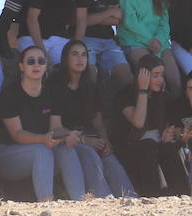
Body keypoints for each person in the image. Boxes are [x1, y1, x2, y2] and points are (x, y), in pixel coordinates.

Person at [0, 44, 84, 201]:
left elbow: (55, 128)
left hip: (40, 151)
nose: (36, 65)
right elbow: (17, 134)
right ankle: (46, 205)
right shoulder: (10, 94)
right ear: (21, 67)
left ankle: (81, 202)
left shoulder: (52, 92)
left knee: (66, 149)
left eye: (41, 61)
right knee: (42, 151)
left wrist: (67, 135)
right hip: (6, 155)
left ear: (46, 66)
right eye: (30, 61)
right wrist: (42, 139)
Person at [52, 40, 135, 197]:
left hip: (91, 138)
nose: (80, 59)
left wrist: (105, 141)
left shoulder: (90, 86)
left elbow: (97, 120)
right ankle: (103, 200)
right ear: (65, 59)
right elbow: (55, 127)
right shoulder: (56, 87)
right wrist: (84, 140)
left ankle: (130, 199)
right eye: (75, 54)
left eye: (84, 55)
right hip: (67, 141)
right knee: (90, 155)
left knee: (110, 159)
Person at [112, 54, 188, 196]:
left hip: (156, 145)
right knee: (148, 145)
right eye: (156, 75)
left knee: (171, 147)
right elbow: (139, 123)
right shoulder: (126, 95)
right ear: (143, 75)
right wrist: (142, 90)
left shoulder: (163, 96)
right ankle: (156, 195)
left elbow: (173, 127)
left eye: (162, 75)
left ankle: (183, 193)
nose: (161, 80)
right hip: (132, 148)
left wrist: (168, 134)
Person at [117, 0, 182, 95]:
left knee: (175, 81)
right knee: (156, 79)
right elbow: (130, 20)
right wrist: (150, 40)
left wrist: (158, 40)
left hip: (160, 43)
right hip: (135, 42)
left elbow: (164, 21)